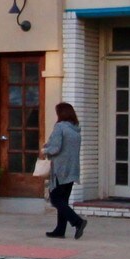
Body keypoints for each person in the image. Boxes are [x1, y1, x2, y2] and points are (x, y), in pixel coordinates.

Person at [42, 101, 87, 239]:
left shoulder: (60, 127)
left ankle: (77, 221)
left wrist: (44, 150)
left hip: (60, 170)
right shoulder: (75, 130)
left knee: (55, 199)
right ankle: (60, 230)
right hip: (72, 169)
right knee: (63, 200)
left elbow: (55, 148)